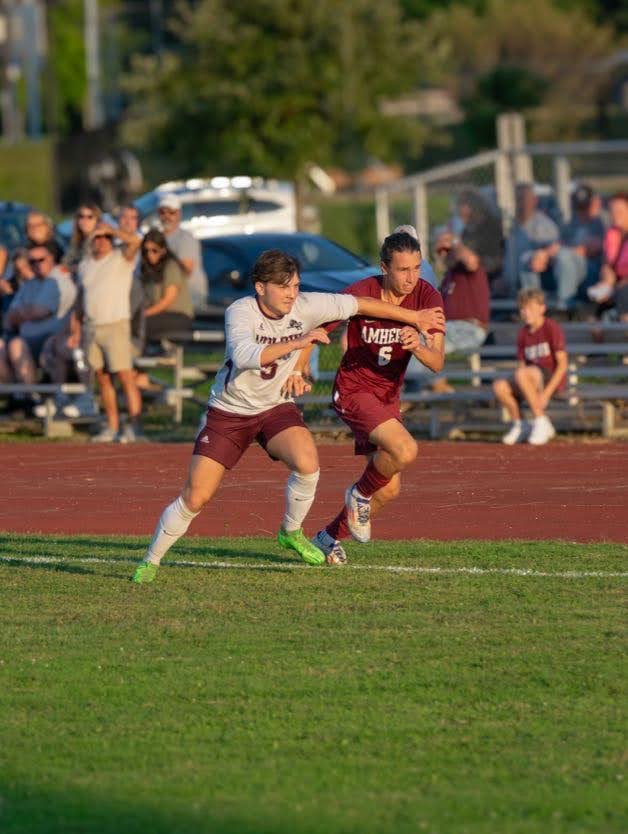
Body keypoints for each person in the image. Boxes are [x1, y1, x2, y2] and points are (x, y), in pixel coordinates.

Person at [131, 248, 444, 583]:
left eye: (295, 285)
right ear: (260, 287)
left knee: (308, 463)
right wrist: (298, 343)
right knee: (196, 496)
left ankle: (291, 532)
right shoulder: (241, 311)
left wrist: (415, 318)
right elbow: (246, 356)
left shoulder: (305, 305)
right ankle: (151, 561)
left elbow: (360, 304)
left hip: (275, 408)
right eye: (283, 287)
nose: (291, 294)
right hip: (229, 413)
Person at [304, 231, 446, 565]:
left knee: (389, 488)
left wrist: (418, 346)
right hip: (353, 390)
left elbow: (437, 362)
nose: (411, 278)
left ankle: (326, 539)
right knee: (405, 449)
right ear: (384, 268)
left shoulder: (428, 296)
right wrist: (301, 367)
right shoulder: (361, 291)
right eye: (403, 270)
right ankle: (358, 494)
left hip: (387, 396)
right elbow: (319, 326)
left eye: (416, 268)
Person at [75, 221, 143, 442]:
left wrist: (112, 229)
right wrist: (76, 327)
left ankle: (135, 427)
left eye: (106, 237)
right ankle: (112, 427)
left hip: (116, 325)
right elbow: (81, 298)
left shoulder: (120, 258)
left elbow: (136, 241)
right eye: (98, 237)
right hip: (91, 327)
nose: (102, 241)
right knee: (102, 379)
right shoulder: (85, 265)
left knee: (125, 376)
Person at [0, 243, 73, 408]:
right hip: (27, 339)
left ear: (51, 259)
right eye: (32, 261)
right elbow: (9, 318)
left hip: (53, 340)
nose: (37, 264)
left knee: (16, 345)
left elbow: (40, 311)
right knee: (6, 345)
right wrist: (27, 312)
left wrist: (23, 313)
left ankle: (31, 397)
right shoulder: (29, 285)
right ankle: (18, 396)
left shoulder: (58, 279)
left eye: (41, 260)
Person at [492, 288, 568, 446]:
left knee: (522, 374)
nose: (526, 313)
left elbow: (562, 365)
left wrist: (546, 394)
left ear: (542, 308)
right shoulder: (523, 333)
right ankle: (521, 424)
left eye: (531, 308)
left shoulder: (551, 327)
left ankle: (540, 420)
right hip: (529, 379)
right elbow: (521, 366)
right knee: (499, 386)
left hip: (550, 379)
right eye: (523, 309)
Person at [504, 184, 588, 310]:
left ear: (535, 201)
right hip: (514, 286)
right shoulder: (514, 227)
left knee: (528, 259)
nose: (521, 203)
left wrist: (542, 255)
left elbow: (555, 253)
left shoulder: (544, 225)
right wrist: (504, 279)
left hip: (545, 279)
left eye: (525, 199)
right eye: (518, 199)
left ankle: (535, 305)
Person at [139, 229, 194, 343]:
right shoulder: (149, 270)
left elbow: (167, 300)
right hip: (161, 315)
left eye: (154, 250)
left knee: (139, 324)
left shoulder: (171, 266)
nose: (150, 254)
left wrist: (144, 314)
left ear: (163, 250)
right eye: (146, 250)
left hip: (179, 316)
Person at [158, 194, 207, 311]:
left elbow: (186, 269)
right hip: (171, 300)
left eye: (171, 212)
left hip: (190, 299)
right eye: (162, 212)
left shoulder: (186, 238)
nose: (166, 216)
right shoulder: (158, 238)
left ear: (179, 214)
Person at [586, 192, 628, 321]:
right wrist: (606, 281)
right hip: (616, 285)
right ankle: (595, 328)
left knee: (624, 293)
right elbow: (607, 265)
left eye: (619, 211)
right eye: (612, 211)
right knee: (594, 300)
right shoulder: (611, 235)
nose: (614, 214)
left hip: (624, 289)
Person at [62, 203, 102, 274]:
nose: (85, 220)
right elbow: (65, 263)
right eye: (81, 216)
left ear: (97, 221)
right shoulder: (75, 241)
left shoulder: (101, 240)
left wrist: (73, 268)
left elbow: (91, 265)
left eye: (90, 217)